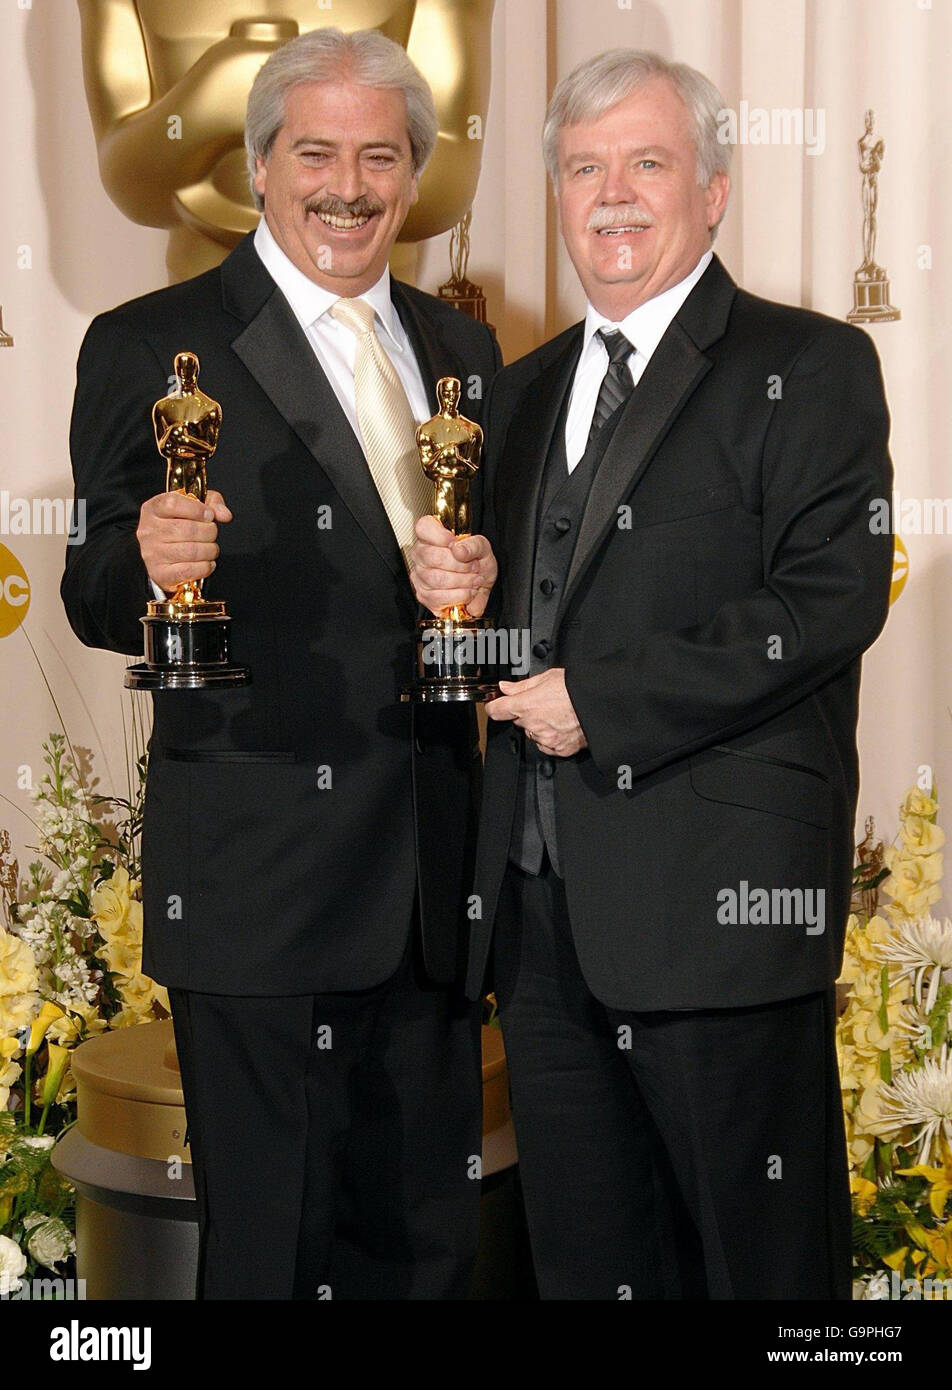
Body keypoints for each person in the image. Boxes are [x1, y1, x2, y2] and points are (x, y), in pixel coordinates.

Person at [411, 48, 894, 1299]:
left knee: (764, 1275)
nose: (610, 194)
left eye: (646, 163)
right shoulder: (514, 395)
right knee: (591, 1270)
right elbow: (522, 641)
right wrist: (460, 613)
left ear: (715, 189)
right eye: (583, 168)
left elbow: (824, 602)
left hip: (723, 919)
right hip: (541, 925)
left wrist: (603, 703)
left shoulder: (812, 366)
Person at [63, 27, 500, 1300]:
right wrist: (146, 556)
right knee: (268, 1254)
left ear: (413, 178)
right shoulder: (153, 345)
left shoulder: (463, 350)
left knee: (420, 1247)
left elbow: (485, 591)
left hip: (431, 876)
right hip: (258, 888)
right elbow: (93, 589)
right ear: (258, 168)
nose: (348, 186)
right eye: (315, 152)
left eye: (380, 156)